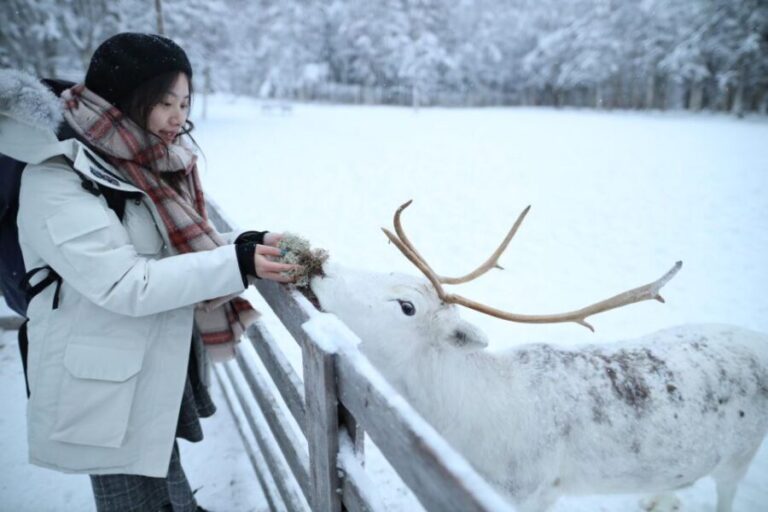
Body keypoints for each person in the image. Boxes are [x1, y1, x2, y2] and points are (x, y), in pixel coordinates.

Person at [6, 32, 298, 511]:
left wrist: (240, 246)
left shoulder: (134, 165)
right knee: (136, 501)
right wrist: (235, 264)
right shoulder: (56, 175)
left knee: (166, 487)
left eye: (184, 102)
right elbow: (126, 283)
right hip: (98, 381)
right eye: (165, 102)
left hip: (141, 364)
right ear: (124, 96)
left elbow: (165, 252)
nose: (179, 118)